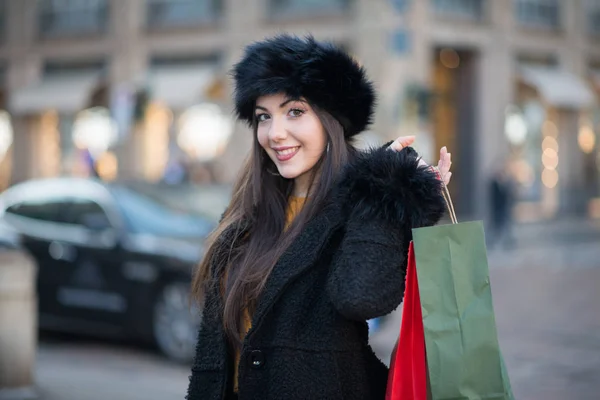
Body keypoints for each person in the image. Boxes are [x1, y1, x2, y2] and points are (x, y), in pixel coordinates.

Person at [186, 34, 452, 400]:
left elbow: (361, 299)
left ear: (332, 121)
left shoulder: (358, 209)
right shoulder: (246, 213)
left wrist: (383, 190)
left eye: (295, 111)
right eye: (264, 116)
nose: (275, 133)